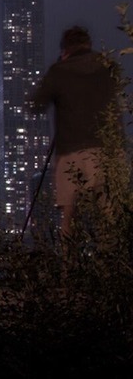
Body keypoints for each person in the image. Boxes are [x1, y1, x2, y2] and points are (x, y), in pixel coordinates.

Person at [29, 24, 121, 235]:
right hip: (106, 152)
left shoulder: (59, 71)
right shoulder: (107, 66)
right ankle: (110, 263)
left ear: (65, 50)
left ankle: (68, 265)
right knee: (109, 214)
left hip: (71, 151)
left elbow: (35, 104)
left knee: (69, 218)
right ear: (88, 44)